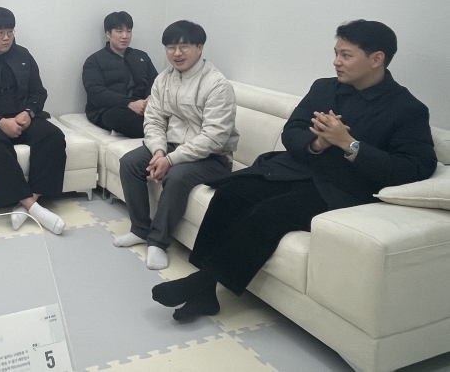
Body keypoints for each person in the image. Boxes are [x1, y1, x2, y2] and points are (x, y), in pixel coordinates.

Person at [152, 20, 437, 321]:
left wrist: (349, 144)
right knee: (230, 192)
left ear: (376, 58)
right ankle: (206, 294)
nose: (336, 62)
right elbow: (292, 130)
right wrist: (317, 143)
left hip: (341, 189)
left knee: (270, 212)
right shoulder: (324, 88)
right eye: (336, 53)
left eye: (346, 55)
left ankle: (201, 281)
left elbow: (415, 167)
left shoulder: (407, 109)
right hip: (296, 169)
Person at [113, 20, 238, 269]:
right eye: (171, 47)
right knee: (130, 162)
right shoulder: (163, 80)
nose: (177, 53)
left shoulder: (217, 84)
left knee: (177, 176)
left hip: (212, 157)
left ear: (200, 47)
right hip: (170, 147)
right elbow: (154, 121)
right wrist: (159, 151)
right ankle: (140, 229)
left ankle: (158, 242)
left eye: (184, 46)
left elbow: (214, 137)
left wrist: (170, 160)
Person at [0, 7, 68, 234]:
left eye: (10, 32)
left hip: (21, 116)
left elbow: (38, 91)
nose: (6, 38)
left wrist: (29, 113)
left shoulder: (23, 55)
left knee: (53, 136)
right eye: (0, 33)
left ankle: (30, 202)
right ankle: (33, 208)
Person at [82, 11, 158, 139]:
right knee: (116, 117)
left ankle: (157, 129)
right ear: (108, 34)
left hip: (145, 106)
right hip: (111, 108)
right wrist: (129, 104)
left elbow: (156, 81)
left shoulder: (141, 56)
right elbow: (96, 92)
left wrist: (150, 97)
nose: (125, 36)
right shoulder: (94, 61)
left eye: (129, 31)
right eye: (119, 31)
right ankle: (157, 132)